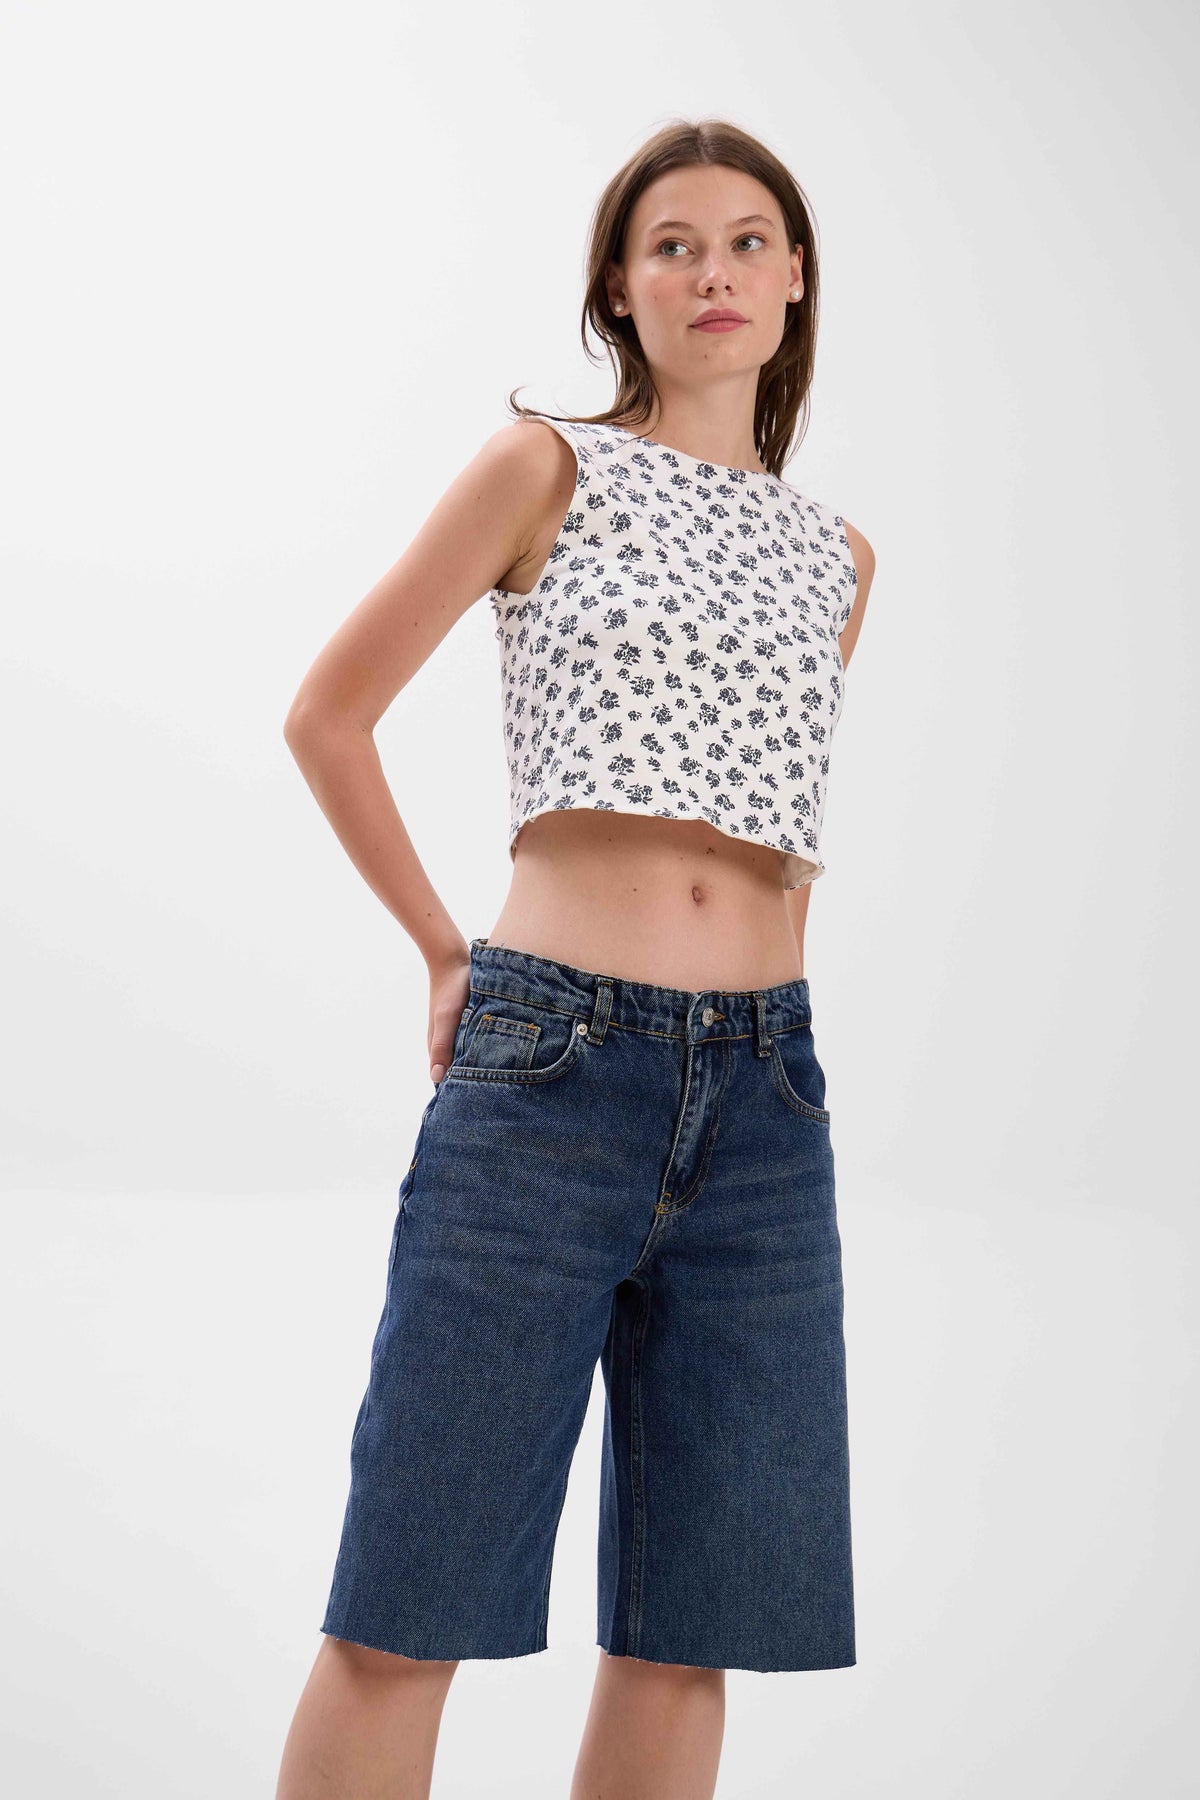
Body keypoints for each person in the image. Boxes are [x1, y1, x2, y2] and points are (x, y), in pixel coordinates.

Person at [275, 116, 875, 1800]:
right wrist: (443, 950)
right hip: (547, 1072)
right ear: (620, 287)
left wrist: (786, 1043)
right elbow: (329, 716)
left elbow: (787, 833)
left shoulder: (838, 557)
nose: (715, 273)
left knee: (695, 1628)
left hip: (765, 1097)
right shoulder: (545, 467)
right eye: (672, 243)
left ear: (797, 277)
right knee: (411, 1604)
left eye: (749, 240)